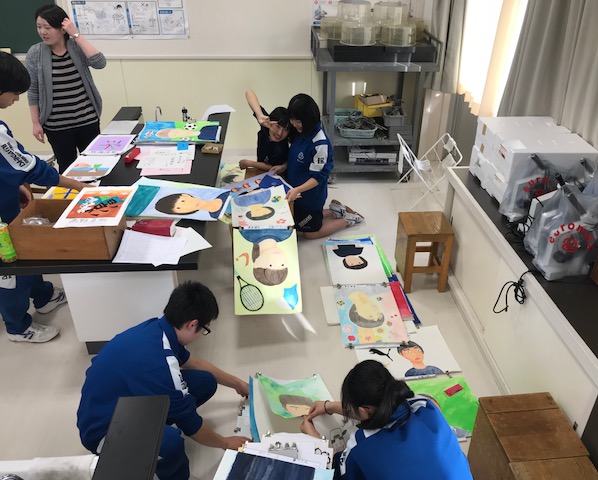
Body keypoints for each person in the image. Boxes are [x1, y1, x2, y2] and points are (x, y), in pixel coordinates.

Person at [77, 281, 251, 480]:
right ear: (192, 324)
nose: (203, 334)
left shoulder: (158, 329)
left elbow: (194, 363)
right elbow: (191, 424)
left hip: (123, 401)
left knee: (206, 381)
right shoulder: (159, 364)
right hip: (103, 430)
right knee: (171, 444)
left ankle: (159, 427)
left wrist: (238, 384)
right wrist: (225, 442)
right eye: (204, 329)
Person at [0, 52, 89, 343]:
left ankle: (43, 295)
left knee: (28, 249)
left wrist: (15, 185)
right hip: (1, 219)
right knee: (10, 269)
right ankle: (17, 326)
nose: (16, 99)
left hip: (8, 201)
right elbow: (30, 167)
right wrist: (75, 185)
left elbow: (10, 164)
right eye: (14, 93)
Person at [301, 360, 472, 479]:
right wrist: (329, 406)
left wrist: (315, 440)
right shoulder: (425, 405)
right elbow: (377, 409)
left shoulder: (361, 446)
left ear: (364, 410)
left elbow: (333, 471)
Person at [270, 94, 364, 239]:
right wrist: (284, 166)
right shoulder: (300, 131)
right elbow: (296, 158)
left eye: (298, 121)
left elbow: (318, 177)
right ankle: (336, 211)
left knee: (310, 233)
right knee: (299, 220)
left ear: (308, 120)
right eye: (292, 120)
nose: (294, 124)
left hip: (310, 197)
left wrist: (298, 189)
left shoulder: (320, 143)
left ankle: (348, 219)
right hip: (297, 192)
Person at [26, 4, 106, 173]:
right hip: (56, 126)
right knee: (67, 168)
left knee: (95, 166)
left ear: (62, 29)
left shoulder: (76, 47)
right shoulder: (35, 53)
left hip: (87, 121)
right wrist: (35, 123)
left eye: (47, 27)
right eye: (39, 27)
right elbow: (33, 91)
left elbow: (100, 63)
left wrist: (76, 35)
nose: (43, 32)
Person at [239, 90, 290, 175]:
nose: (280, 133)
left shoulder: (281, 147)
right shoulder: (266, 124)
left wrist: (250, 163)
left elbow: (273, 167)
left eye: (286, 129)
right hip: (260, 169)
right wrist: (259, 115)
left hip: (275, 175)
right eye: (277, 126)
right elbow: (249, 92)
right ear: (270, 122)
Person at [154, 191, 230, 218]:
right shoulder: (214, 216)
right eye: (179, 208)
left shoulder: (225, 194)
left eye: (183, 201)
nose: (188, 206)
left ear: (185, 195)